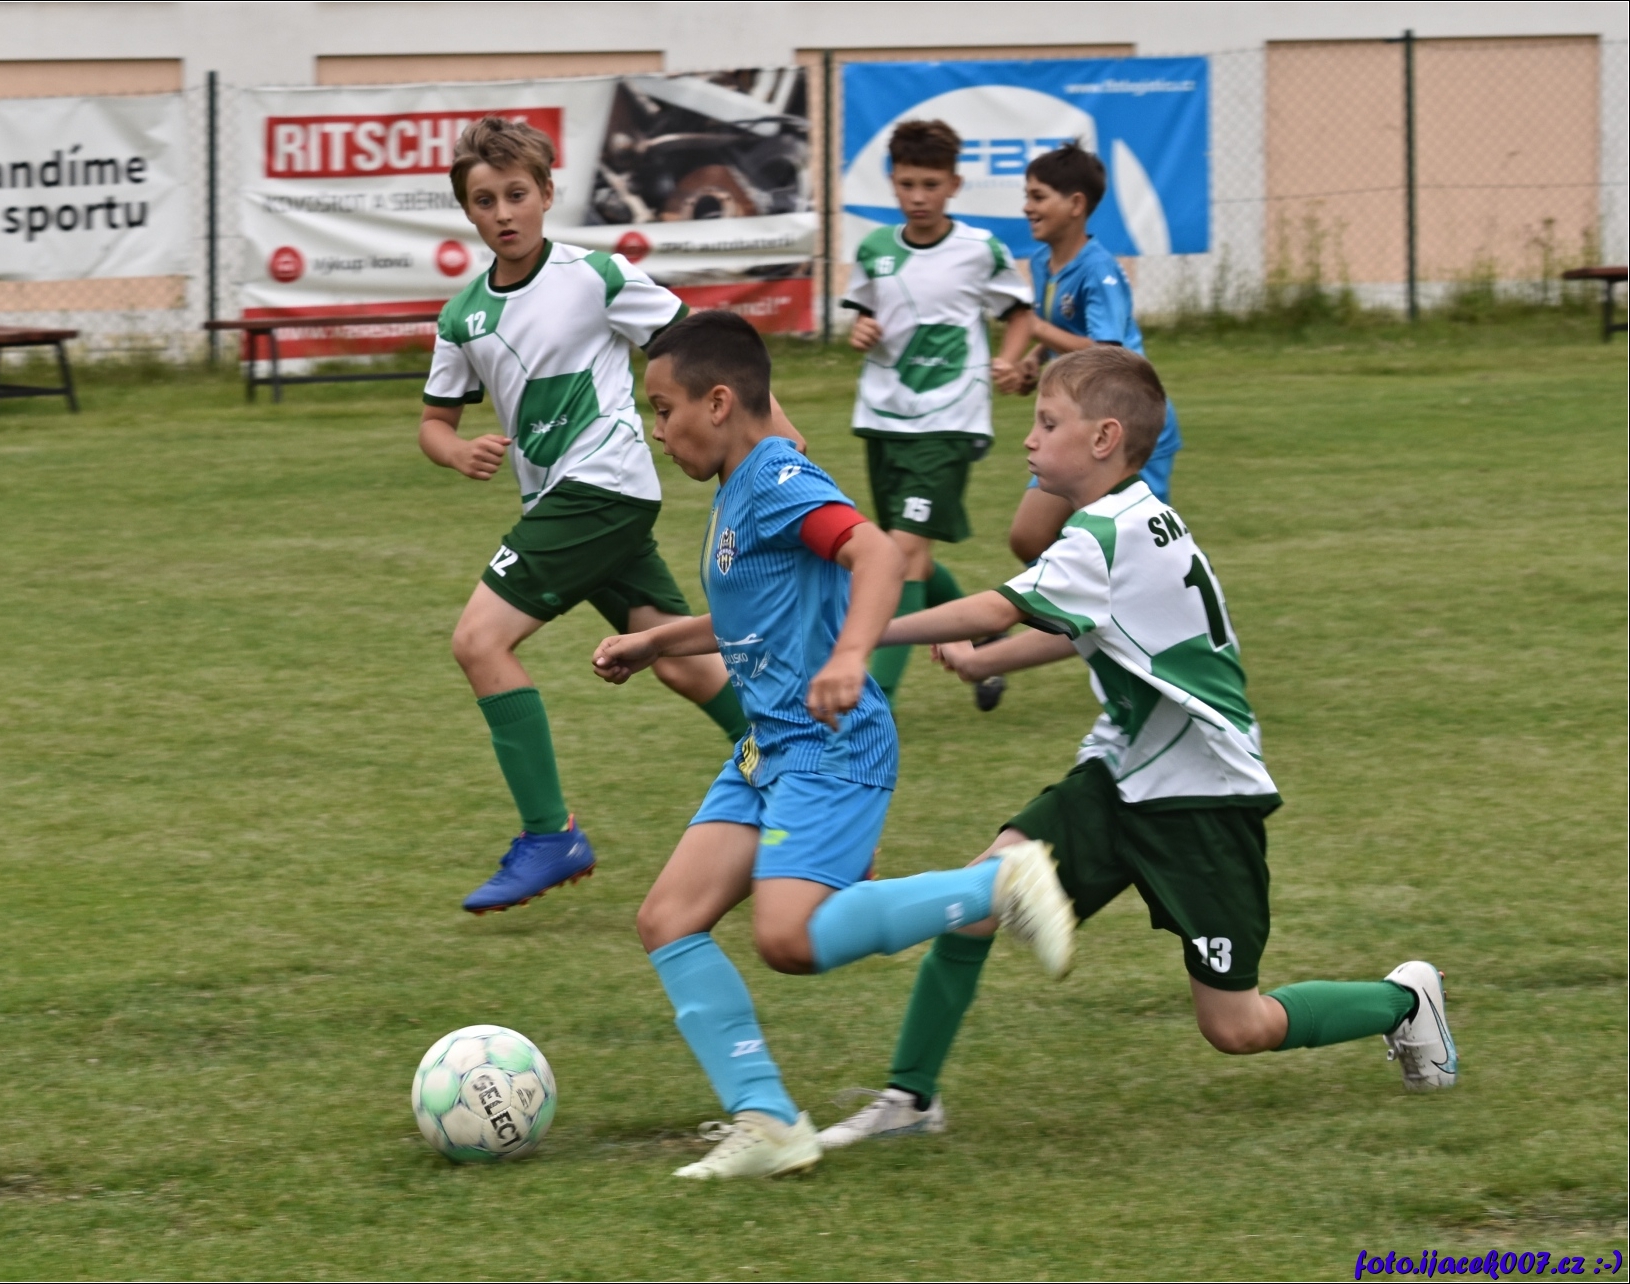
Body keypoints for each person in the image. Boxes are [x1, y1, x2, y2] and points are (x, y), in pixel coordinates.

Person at [819, 345, 1457, 1151]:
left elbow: (994, 608)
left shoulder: (1104, 533)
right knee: (975, 902)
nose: (1029, 439)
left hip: (1203, 797)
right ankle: (909, 1100)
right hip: (1120, 774)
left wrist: (859, 634)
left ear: (1104, 438)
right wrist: (989, 662)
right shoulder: (1128, 518)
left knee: (1235, 1025)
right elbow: (1094, 628)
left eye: (1047, 423)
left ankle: (1405, 1002)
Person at [592, 311, 1075, 1180]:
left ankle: (996, 885)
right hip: (767, 750)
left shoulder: (777, 479)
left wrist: (852, 656)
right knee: (668, 919)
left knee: (788, 938)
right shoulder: (744, 479)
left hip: (830, 745)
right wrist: (657, 640)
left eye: (663, 409)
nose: (657, 431)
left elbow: (879, 556)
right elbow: (753, 618)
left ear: (719, 402)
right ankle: (770, 1121)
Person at [419, 117, 765, 914]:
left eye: (517, 194)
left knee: (479, 641)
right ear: (468, 212)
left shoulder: (594, 276)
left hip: (602, 486)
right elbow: (433, 422)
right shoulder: (462, 316)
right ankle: (799, 769)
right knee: (680, 660)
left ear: (546, 194)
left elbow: (702, 350)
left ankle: (550, 836)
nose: (503, 212)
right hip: (572, 501)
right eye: (484, 201)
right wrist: (455, 450)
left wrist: (774, 437)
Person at [977, 142, 1188, 711]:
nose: (1027, 207)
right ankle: (1102, 615)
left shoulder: (1098, 269)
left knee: (1138, 555)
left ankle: (1163, 629)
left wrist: (1036, 331)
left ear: (1075, 205)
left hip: (1129, 430)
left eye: (1038, 196)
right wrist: (1032, 368)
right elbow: (1065, 350)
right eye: (1026, 195)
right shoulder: (1045, 263)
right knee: (1029, 537)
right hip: (1082, 427)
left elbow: (1110, 356)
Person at [842, 119, 1034, 706]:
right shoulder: (875, 249)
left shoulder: (980, 250)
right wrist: (861, 329)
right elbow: (865, 316)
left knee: (900, 556)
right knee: (906, 556)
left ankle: (873, 701)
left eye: (930, 184)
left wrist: (1009, 359)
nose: (918, 197)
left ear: (954, 184)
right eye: (907, 184)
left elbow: (1019, 314)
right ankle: (985, 630)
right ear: (892, 183)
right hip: (884, 417)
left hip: (951, 420)